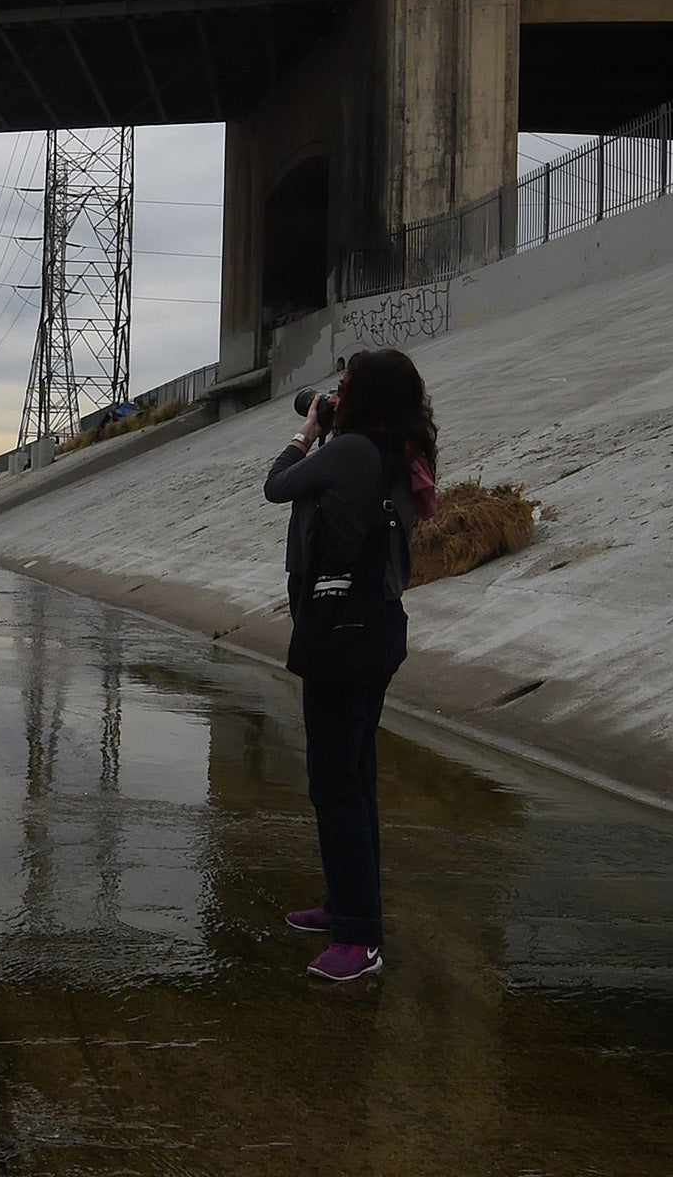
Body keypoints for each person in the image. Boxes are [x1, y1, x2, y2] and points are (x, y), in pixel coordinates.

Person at [263, 348, 438, 982]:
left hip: (342, 631)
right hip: (379, 626)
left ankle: (359, 936)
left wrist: (308, 430)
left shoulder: (348, 451)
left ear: (362, 399)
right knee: (354, 776)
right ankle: (345, 905)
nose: (334, 395)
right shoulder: (398, 453)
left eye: (344, 388)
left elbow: (276, 483)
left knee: (335, 783)